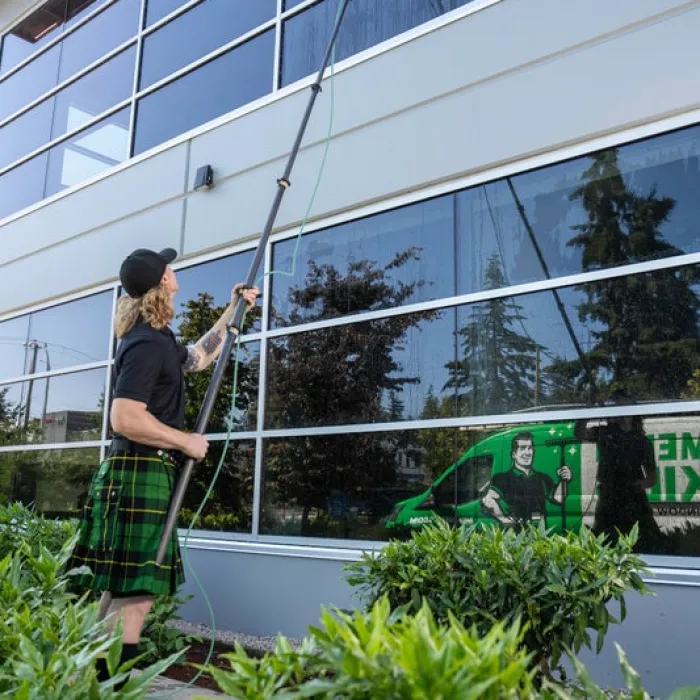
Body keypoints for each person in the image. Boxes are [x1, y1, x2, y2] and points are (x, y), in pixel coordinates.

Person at [66, 247, 260, 684]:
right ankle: (109, 683)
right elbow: (125, 417)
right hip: (138, 468)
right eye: (170, 269)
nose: (175, 273)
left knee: (133, 592)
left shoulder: (157, 339)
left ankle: (104, 679)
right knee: (135, 593)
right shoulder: (146, 344)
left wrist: (233, 308)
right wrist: (184, 441)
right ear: (161, 284)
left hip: (145, 470)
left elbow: (198, 357)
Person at [480, 431, 571, 527]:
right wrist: (504, 520)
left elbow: (558, 499)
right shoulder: (502, 478)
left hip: (539, 534)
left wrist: (563, 480)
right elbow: (488, 499)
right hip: (516, 534)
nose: (527, 452)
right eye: (523, 448)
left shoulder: (542, 478)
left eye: (530, 448)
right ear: (514, 454)